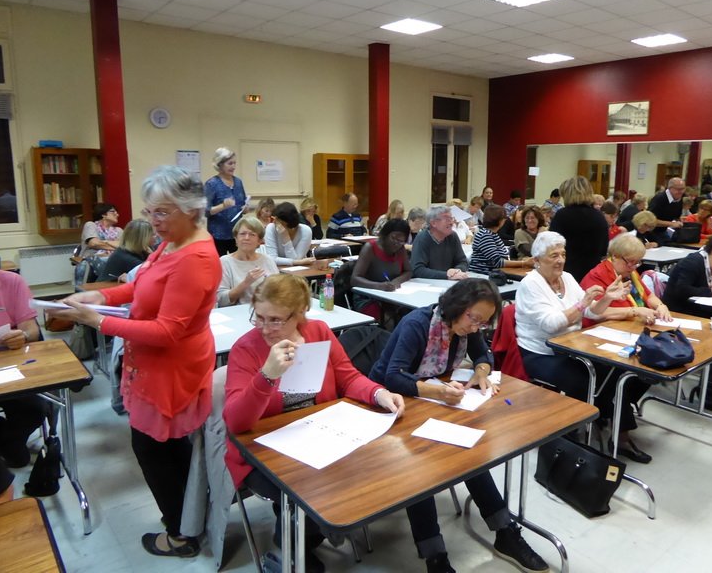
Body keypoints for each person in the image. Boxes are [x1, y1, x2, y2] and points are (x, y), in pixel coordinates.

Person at [57, 165, 221, 558]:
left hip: (171, 367)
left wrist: (99, 321)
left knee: (155, 451)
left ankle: (181, 534)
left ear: (192, 209)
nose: (153, 221)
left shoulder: (195, 257)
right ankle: (190, 519)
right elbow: (142, 284)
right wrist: (102, 297)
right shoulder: (172, 242)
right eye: (150, 211)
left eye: (162, 212)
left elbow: (167, 331)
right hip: (154, 363)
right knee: (168, 449)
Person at [223, 275, 404, 573]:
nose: (265, 328)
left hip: (318, 433)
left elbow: (347, 377)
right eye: (260, 318)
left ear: (300, 312)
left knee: (368, 465)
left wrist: (378, 393)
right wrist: (266, 376)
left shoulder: (318, 331)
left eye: (276, 320)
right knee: (307, 491)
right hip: (264, 449)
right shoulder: (246, 348)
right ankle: (298, 541)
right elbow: (236, 421)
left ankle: (308, 533)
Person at [370, 278, 549, 573]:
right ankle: (436, 557)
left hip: (428, 403)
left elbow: (483, 354)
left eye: (482, 322)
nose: (476, 327)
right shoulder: (418, 324)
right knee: (419, 471)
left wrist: (481, 372)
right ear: (456, 307)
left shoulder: (465, 328)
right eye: (473, 318)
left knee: (469, 454)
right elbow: (393, 376)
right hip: (390, 404)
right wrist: (438, 392)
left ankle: (505, 531)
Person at [514, 232, 651, 462]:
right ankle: (570, 442)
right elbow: (551, 324)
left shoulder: (567, 278)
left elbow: (590, 312)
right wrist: (583, 303)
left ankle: (619, 434)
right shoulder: (531, 284)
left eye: (563, 254)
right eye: (553, 255)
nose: (560, 260)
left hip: (573, 347)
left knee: (619, 371)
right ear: (537, 260)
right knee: (584, 381)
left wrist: (606, 298)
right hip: (542, 353)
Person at [0, 270, 47, 468]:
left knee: (34, 409)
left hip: (9, 364)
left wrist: (23, 336)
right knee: (18, 459)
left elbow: (31, 329)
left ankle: (6, 440)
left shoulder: (11, 282)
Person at [581, 235, 672, 329]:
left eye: (637, 262)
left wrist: (660, 306)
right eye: (630, 261)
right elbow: (596, 313)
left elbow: (648, 295)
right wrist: (634, 311)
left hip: (632, 325)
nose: (633, 267)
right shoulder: (597, 276)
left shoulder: (629, 272)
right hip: (603, 329)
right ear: (614, 256)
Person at [548, 176, 608, 282]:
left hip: (566, 272)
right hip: (592, 273)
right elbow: (604, 249)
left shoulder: (562, 216)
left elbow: (550, 245)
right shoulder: (599, 217)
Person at [351, 218, 413, 319]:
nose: (396, 243)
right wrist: (379, 286)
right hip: (368, 298)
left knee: (409, 314)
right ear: (385, 234)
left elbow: (408, 271)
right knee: (388, 320)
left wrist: (397, 281)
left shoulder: (401, 250)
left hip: (393, 297)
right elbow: (355, 279)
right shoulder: (370, 248)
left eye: (401, 241)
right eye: (393, 238)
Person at [217, 216, 278, 307]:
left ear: (259, 241)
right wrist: (246, 283)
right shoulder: (225, 262)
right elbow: (221, 300)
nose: (246, 238)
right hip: (236, 312)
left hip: (266, 310)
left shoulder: (268, 260)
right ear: (236, 239)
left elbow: (278, 291)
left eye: (252, 234)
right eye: (242, 234)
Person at [205, 147, 248, 256]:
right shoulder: (211, 184)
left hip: (237, 233)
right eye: (230, 163)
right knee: (221, 264)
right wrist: (222, 206)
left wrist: (245, 208)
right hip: (218, 235)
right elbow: (205, 211)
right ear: (220, 165)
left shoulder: (238, 182)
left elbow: (242, 204)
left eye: (234, 163)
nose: (233, 166)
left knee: (239, 261)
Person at [469, 205, 531, 275]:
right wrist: (524, 263)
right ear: (500, 220)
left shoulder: (493, 234)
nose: (505, 220)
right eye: (504, 218)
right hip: (483, 275)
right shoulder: (485, 235)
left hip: (493, 273)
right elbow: (497, 262)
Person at [410, 206, 468, 280]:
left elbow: (462, 261)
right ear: (433, 223)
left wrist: (456, 271)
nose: (451, 222)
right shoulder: (422, 239)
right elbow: (417, 270)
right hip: (428, 283)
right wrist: (446, 275)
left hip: (449, 282)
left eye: (451, 218)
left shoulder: (453, 236)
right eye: (447, 219)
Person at [78, 202, 123, 281]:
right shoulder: (91, 225)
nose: (117, 214)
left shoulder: (119, 231)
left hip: (112, 260)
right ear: (103, 215)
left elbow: (124, 245)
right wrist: (115, 245)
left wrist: (105, 242)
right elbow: (94, 243)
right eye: (113, 212)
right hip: (90, 261)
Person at [264, 202, 317, 267]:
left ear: (291, 226)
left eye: (279, 222)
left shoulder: (306, 231)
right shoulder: (271, 228)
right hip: (276, 268)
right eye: (274, 220)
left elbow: (297, 259)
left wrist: (286, 238)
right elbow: (272, 259)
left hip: (298, 270)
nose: (276, 224)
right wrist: (296, 262)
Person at [647, 177, 686, 244]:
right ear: (670, 188)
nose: (681, 192)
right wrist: (671, 224)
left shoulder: (679, 198)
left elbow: (676, 217)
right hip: (651, 232)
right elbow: (650, 220)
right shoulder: (659, 199)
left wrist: (679, 221)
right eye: (678, 189)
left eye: (683, 189)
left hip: (664, 231)